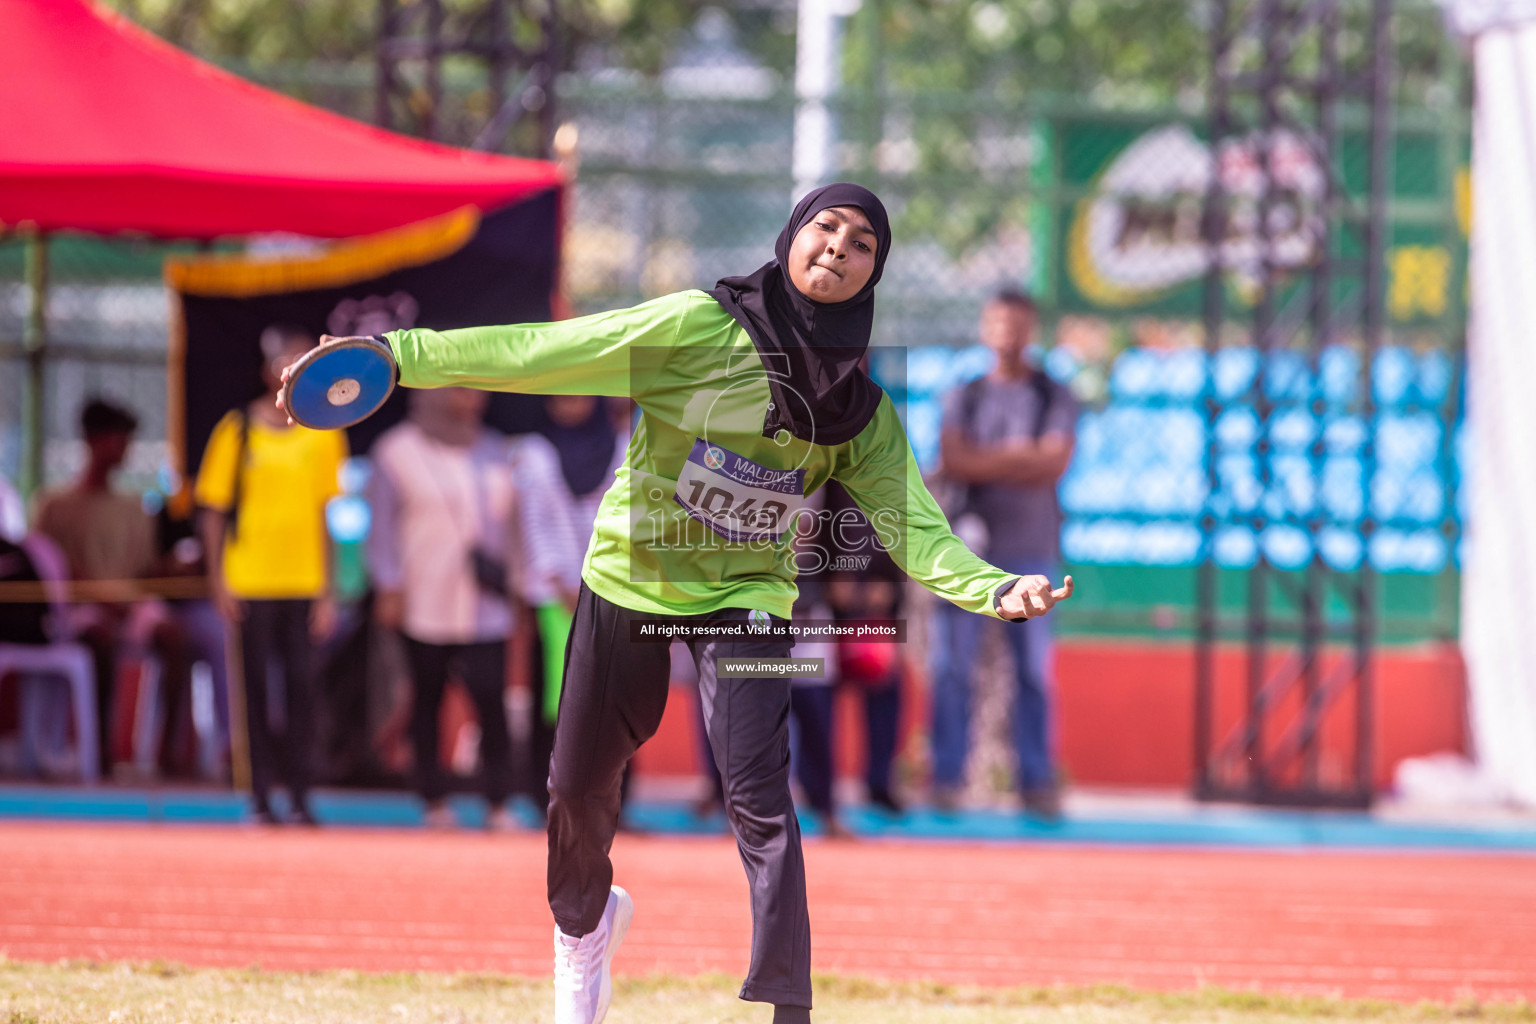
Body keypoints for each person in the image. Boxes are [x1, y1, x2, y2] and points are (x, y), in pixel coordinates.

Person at [282, 184, 1072, 1024]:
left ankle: (788, 1011)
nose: (839, 247)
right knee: (578, 792)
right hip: (631, 578)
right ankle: (584, 933)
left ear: (873, 274)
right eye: (826, 227)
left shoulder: (859, 413)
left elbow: (918, 530)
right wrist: (401, 355)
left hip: (749, 599)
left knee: (763, 801)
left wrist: (992, 586)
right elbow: (541, 351)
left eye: (863, 242)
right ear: (791, 236)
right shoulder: (696, 328)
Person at [368, 387, 571, 829]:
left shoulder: (497, 450)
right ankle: (433, 799)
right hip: (421, 598)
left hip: (486, 604)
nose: (471, 398)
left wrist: (520, 586)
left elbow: (516, 527)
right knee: (427, 699)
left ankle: (497, 802)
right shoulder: (395, 451)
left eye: (476, 389)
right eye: (459, 388)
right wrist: (388, 584)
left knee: (491, 702)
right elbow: (380, 526)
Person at [932, 289, 1079, 818]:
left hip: (1033, 554)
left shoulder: (1053, 395)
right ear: (984, 327)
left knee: (1033, 674)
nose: (1007, 332)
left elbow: (1054, 463)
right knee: (953, 669)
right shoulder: (963, 394)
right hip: (969, 557)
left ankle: (1036, 783)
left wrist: (984, 459)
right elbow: (954, 460)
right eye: (997, 321)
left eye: (1017, 323)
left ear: (1032, 328)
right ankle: (946, 779)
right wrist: (1022, 457)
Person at [197, 326, 346, 825]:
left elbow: (328, 516)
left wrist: (329, 591)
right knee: (255, 691)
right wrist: (218, 581)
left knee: (303, 690)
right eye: (286, 361)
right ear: (268, 373)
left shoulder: (325, 433)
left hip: (304, 583)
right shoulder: (235, 429)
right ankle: (260, 796)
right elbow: (213, 510)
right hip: (250, 582)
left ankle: (301, 794)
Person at [33, 399, 192, 777]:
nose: (123, 448)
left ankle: (167, 754)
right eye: (115, 439)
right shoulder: (55, 505)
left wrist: (176, 567)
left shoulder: (135, 506)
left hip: (131, 606)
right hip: (77, 611)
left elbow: (145, 569)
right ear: (91, 440)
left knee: (173, 635)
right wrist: (101, 597)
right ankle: (101, 751)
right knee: (96, 638)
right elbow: (47, 568)